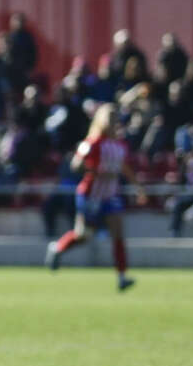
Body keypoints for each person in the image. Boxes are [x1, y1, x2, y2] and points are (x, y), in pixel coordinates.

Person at [45, 103, 147, 290]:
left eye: (115, 118)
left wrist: (138, 188)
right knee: (83, 235)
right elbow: (75, 165)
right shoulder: (91, 143)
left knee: (118, 234)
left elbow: (125, 168)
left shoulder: (119, 146)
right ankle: (57, 248)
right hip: (90, 195)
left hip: (111, 196)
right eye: (109, 118)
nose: (113, 122)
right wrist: (96, 170)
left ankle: (122, 276)